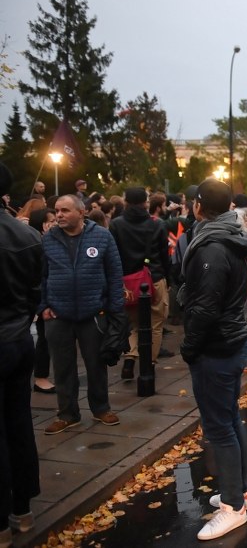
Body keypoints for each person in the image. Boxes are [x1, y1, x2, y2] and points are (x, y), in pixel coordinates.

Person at [180, 178, 247, 540]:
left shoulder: (213, 245)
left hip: (217, 345)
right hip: (231, 340)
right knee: (229, 417)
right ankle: (240, 492)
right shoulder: (230, 235)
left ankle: (233, 506)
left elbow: (206, 307)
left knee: (219, 426)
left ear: (198, 206)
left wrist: (190, 345)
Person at [40, 195, 124, 435]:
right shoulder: (49, 239)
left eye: (65, 210)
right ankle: (67, 413)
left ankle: (101, 408)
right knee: (62, 367)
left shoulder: (102, 236)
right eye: (57, 211)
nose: (59, 215)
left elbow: (114, 274)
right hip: (59, 314)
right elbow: (41, 276)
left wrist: (113, 310)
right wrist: (43, 305)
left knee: (96, 364)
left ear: (81, 212)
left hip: (93, 312)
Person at [0, 161, 43, 545]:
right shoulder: (25, 235)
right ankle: (23, 507)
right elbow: (34, 289)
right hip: (18, 337)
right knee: (18, 421)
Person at [109, 188, 171, 377]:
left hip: (127, 282)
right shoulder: (158, 224)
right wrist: (167, 278)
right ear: (146, 202)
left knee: (133, 323)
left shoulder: (116, 224)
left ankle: (130, 357)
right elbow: (164, 255)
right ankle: (149, 364)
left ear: (125, 201)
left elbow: (113, 256)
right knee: (156, 323)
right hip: (154, 278)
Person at [28, 208, 57, 394]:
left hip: (43, 295)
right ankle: (40, 377)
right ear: (42, 224)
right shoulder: (37, 242)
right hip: (38, 296)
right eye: (52, 220)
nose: (56, 222)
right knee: (43, 338)